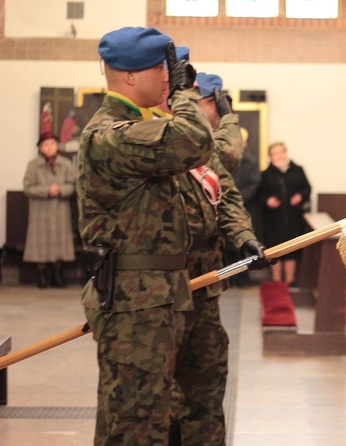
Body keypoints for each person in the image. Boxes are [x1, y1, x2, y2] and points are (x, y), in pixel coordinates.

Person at [76, 26, 215, 445]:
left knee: (139, 419)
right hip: (136, 303)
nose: (169, 77)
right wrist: (186, 96)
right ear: (130, 76)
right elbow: (194, 140)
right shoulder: (109, 135)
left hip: (155, 296)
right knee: (137, 426)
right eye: (161, 68)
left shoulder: (135, 127)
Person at [168, 71, 270, 446]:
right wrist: (229, 120)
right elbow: (229, 150)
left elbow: (225, 195)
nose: (218, 111)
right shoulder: (171, 141)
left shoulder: (201, 149)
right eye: (217, 103)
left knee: (206, 384)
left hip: (203, 287)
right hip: (165, 291)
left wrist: (244, 237)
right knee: (165, 393)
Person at [22, 132, 76, 288]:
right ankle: (41, 276)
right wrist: (46, 190)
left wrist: (60, 189)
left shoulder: (65, 164)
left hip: (60, 210)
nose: (49, 147)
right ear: (40, 148)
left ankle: (57, 276)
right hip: (40, 210)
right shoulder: (33, 165)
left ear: (57, 146)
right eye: (46, 144)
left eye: (52, 144)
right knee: (40, 243)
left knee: (59, 242)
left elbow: (72, 185)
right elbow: (28, 188)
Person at [258, 141, 311, 286]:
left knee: (292, 248)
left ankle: (290, 279)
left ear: (285, 152)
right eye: (275, 153)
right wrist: (268, 200)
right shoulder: (266, 174)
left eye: (281, 152)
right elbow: (260, 195)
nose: (279, 156)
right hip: (274, 219)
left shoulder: (298, 170)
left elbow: (307, 188)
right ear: (271, 156)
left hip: (293, 217)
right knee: (276, 248)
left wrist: (300, 196)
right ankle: (276, 281)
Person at [227, 127, 261, 288]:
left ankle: (244, 276)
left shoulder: (251, 161)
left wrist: (238, 198)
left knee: (244, 242)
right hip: (226, 206)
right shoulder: (225, 159)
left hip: (245, 206)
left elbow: (254, 183)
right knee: (228, 244)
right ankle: (231, 276)